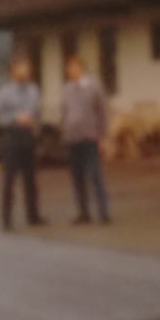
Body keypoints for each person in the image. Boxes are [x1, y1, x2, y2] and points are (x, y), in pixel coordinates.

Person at [0, 58, 45, 230]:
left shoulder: (34, 90)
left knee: (31, 178)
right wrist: (14, 118)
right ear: (13, 72)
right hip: (11, 136)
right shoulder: (3, 92)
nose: (24, 72)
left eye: (26, 69)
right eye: (20, 69)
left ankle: (33, 215)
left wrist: (34, 126)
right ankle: (7, 218)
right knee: (9, 178)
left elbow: (37, 112)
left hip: (28, 136)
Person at [61, 56, 111, 225]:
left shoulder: (93, 86)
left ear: (82, 68)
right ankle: (83, 212)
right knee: (77, 177)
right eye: (69, 68)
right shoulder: (66, 88)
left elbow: (103, 111)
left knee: (95, 174)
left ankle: (103, 212)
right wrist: (64, 132)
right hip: (72, 138)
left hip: (90, 136)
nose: (71, 71)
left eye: (74, 67)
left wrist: (103, 135)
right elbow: (64, 112)